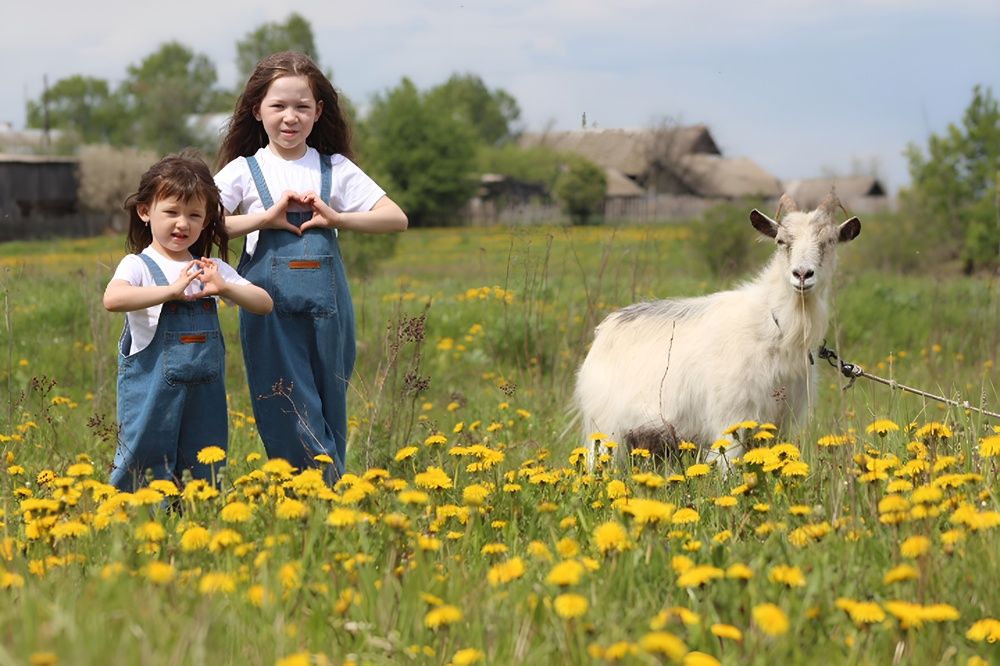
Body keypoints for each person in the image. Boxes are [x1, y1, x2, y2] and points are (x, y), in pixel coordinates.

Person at [214, 52, 407, 484]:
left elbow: (395, 217)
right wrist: (264, 218)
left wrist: (338, 218)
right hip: (269, 314)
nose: (290, 117)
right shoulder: (243, 172)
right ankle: (318, 492)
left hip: (329, 313)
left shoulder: (334, 168)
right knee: (284, 403)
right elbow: (204, 225)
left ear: (319, 112)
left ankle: (324, 494)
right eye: (278, 106)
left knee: (328, 403)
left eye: (302, 107)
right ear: (256, 109)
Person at [104, 152, 273, 491]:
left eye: (194, 215)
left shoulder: (211, 269)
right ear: (145, 211)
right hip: (151, 392)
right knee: (145, 455)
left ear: (207, 220)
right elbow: (114, 299)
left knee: (204, 459)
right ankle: (136, 518)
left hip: (205, 393)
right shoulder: (137, 265)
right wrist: (171, 291)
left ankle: (198, 514)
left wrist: (225, 287)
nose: (182, 223)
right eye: (171, 212)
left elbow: (264, 304)